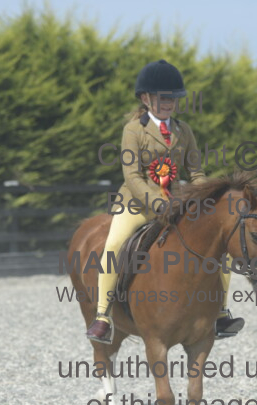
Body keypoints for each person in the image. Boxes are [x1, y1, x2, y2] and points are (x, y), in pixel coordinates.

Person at [86, 59, 244, 344]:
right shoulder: (133, 130)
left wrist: (203, 198)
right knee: (113, 246)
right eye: (163, 97)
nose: (169, 103)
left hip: (177, 202)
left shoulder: (184, 130)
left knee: (221, 249)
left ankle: (220, 313)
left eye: (173, 98)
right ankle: (103, 316)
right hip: (137, 204)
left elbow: (196, 173)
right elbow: (132, 176)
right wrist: (158, 204)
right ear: (146, 99)